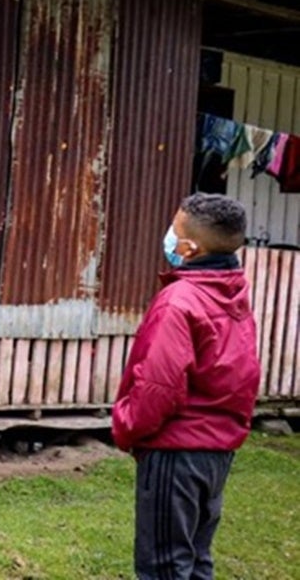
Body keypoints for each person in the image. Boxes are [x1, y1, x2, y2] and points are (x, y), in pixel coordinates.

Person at [112, 193, 261, 580]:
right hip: (216, 453)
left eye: (173, 230)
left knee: (165, 567)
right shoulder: (234, 294)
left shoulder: (178, 301)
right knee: (194, 561)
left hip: (176, 453)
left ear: (189, 248)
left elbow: (157, 386)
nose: (168, 237)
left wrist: (126, 428)